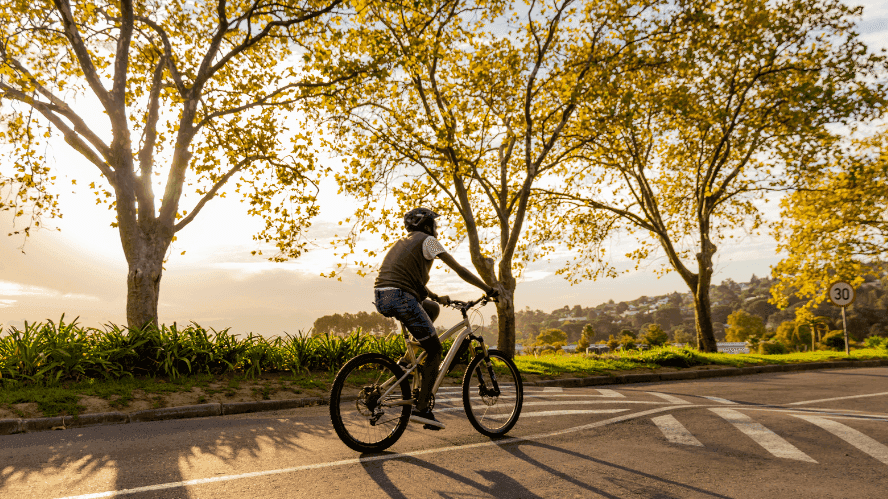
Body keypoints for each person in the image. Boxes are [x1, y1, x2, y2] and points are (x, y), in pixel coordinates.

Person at [373, 207, 497, 430]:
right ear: (427, 225)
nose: (436, 229)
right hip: (402, 296)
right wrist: (488, 288)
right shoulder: (429, 241)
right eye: (434, 224)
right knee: (435, 350)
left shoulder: (402, 242)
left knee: (431, 308)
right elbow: (459, 269)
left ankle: (408, 359)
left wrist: (436, 296)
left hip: (384, 295)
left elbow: (409, 278)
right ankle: (422, 409)